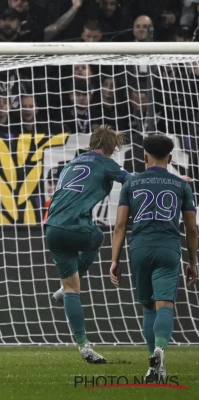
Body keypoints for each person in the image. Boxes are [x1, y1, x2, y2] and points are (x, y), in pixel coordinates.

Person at [110, 134, 198, 382]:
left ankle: (154, 366)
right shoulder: (181, 185)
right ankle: (160, 350)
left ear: (144, 157)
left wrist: (115, 260)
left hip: (139, 248)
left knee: (148, 307)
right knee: (165, 305)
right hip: (168, 248)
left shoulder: (132, 184)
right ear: (170, 158)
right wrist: (193, 262)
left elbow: (120, 225)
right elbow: (192, 228)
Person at [44, 125, 130, 364]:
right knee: (98, 238)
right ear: (111, 148)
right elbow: (133, 181)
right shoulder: (106, 163)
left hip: (51, 228)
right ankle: (67, 287)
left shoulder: (72, 163)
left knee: (71, 289)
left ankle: (83, 346)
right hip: (76, 227)